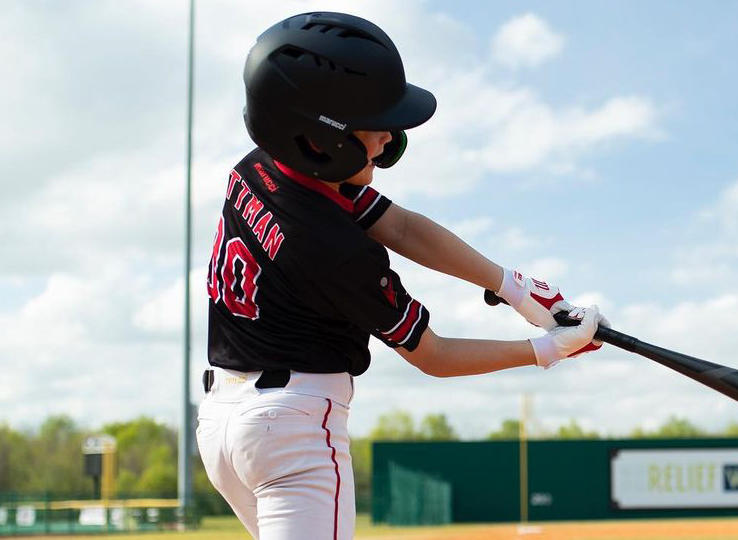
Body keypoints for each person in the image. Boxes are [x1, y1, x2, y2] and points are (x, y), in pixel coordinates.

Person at [195, 11, 608, 540]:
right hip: (292, 434)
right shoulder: (334, 249)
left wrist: (513, 287)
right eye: (375, 121)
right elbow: (433, 355)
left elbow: (403, 228)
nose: (390, 137)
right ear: (320, 138)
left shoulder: (262, 166)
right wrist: (547, 349)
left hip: (225, 423)